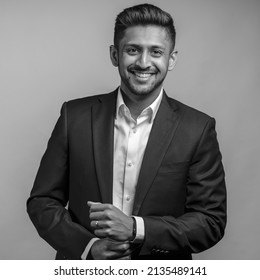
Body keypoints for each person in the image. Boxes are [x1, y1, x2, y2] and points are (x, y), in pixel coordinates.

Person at [27, 3, 226, 260]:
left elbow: (211, 221)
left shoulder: (198, 128)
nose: (144, 62)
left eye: (156, 51)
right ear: (114, 54)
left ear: (171, 59)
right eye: (133, 50)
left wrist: (136, 228)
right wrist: (89, 246)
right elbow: (42, 202)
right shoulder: (73, 117)